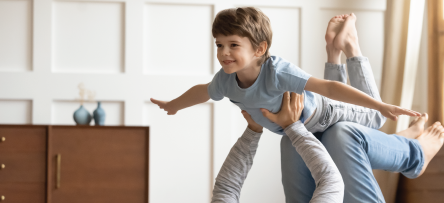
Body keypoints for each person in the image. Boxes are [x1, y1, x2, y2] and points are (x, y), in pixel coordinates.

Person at [175, 14, 444, 203]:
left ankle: (387, 131)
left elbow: (227, 187)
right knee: (341, 134)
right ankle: (415, 155)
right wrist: (292, 126)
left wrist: (254, 130)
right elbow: (331, 181)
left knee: (300, 137)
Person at [150, 8, 421, 136]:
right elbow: (204, 91)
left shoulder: (276, 71)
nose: (223, 53)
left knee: (376, 120)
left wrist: (380, 105)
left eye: (233, 45)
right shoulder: (225, 81)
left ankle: (351, 47)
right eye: (219, 44)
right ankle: (335, 49)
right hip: (303, 127)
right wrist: (175, 105)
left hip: (323, 114)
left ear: (259, 49)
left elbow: (327, 88)